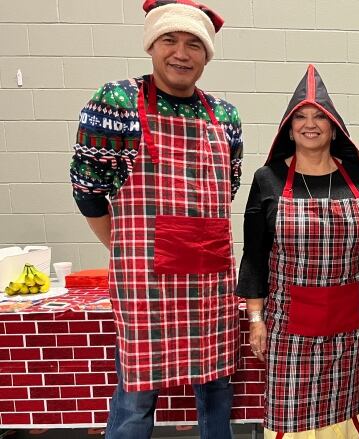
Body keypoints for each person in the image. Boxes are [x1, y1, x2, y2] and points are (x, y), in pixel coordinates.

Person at [69, 1, 242, 438]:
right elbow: (89, 192)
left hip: (210, 282)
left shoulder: (225, 116)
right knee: (136, 397)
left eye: (194, 44)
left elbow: (229, 189)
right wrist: (131, 248)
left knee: (217, 390)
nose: (181, 53)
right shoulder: (117, 102)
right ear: (151, 45)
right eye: (170, 40)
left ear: (207, 55)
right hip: (145, 282)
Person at [236, 64, 359, 439]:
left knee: (343, 412)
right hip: (287, 328)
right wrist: (256, 321)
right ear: (289, 127)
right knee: (290, 417)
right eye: (300, 116)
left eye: (319, 116)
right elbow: (254, 255)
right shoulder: (267, 179)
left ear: (334, 127)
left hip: (346, 328)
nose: (310, 123)